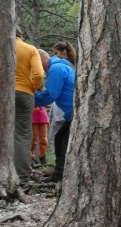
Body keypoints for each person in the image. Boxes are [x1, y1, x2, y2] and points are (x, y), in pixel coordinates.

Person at [35, 50, 75, 183]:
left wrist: (31, 98)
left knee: (63, 142)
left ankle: (60, 174)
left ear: (40, 59)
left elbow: (51, 95)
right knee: (59, 138)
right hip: (71, 113)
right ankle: (60, 170)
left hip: (74, 112)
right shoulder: (59, 67)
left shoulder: (56, 69)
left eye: (34, 62)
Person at [14, 26, 44, 184]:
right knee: (22, 135)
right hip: (24, 94)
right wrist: (31, 88)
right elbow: (39, 74)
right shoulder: (29, 49)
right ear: (20, 35)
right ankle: (22, 177)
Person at [47, 41, 77, 166]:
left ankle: (59, 166)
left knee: (57, 136)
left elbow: (54, 91)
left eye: (56, 53)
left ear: (63, 52)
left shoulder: (60, 67)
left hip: (64, 107)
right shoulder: (73, 65)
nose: (54, 56)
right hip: (66, 105)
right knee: (60, 137)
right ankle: (60, 167)